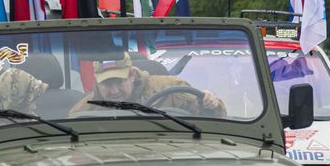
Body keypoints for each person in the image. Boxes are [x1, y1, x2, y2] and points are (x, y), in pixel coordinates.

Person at [70, 52, 227, 117]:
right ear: (97, 81)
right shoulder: (85, 109)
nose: (114, 90)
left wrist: (211, 103)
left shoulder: (172, 90)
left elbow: (213, 123)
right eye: (106, 84)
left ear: (132, 75)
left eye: (119, 81)